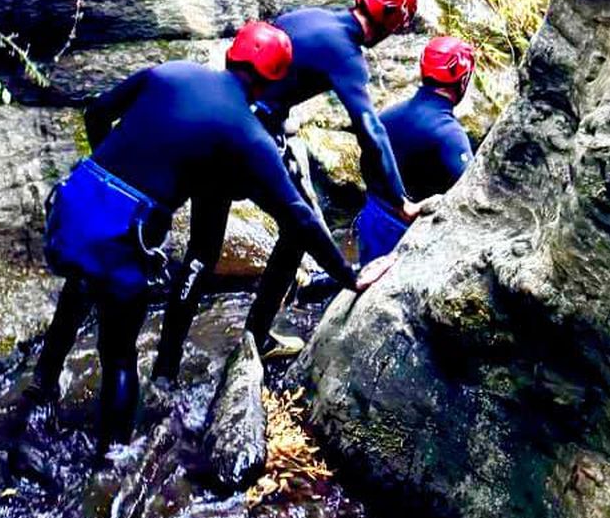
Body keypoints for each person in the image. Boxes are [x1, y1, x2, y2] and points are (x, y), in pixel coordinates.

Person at [36, 22, 379, 452]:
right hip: (123, 235)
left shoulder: (169, 72)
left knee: (76, 294)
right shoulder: (247, 133)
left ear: (232, 56)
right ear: (274, 80)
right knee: (119, 354)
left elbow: (97, 112)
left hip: (74, 207)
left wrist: (110, 173)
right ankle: (113, 463)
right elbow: (299, 217)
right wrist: (349, 276)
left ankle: (41, 391)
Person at [153, 0, 422, 381]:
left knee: (201, 252)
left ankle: (165, 367)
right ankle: (258, 337)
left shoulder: (312, 17)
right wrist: (400, 201)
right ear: (389, 19)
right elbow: (371, 129)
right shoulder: (347, 54)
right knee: (298, 230)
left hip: (223, 127)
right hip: (253, 143)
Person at [355, 34, 476, 261]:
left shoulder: (388, 115)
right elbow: (471, 191)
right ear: (463, 80)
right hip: (407, 234)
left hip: (372, 217)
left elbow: (366, 161)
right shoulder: (449, 134)